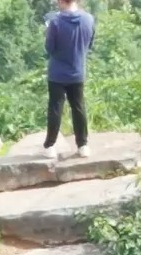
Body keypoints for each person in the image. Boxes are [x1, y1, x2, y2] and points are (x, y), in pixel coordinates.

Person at [42, 0, 95, 160]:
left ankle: (50, 146)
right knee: (78, 107)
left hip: (57, 73)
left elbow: (49, 48)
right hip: (77, 71)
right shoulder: (89, 19)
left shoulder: (55, 22)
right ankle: (83, 145)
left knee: (55, 108)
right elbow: (89, 44)